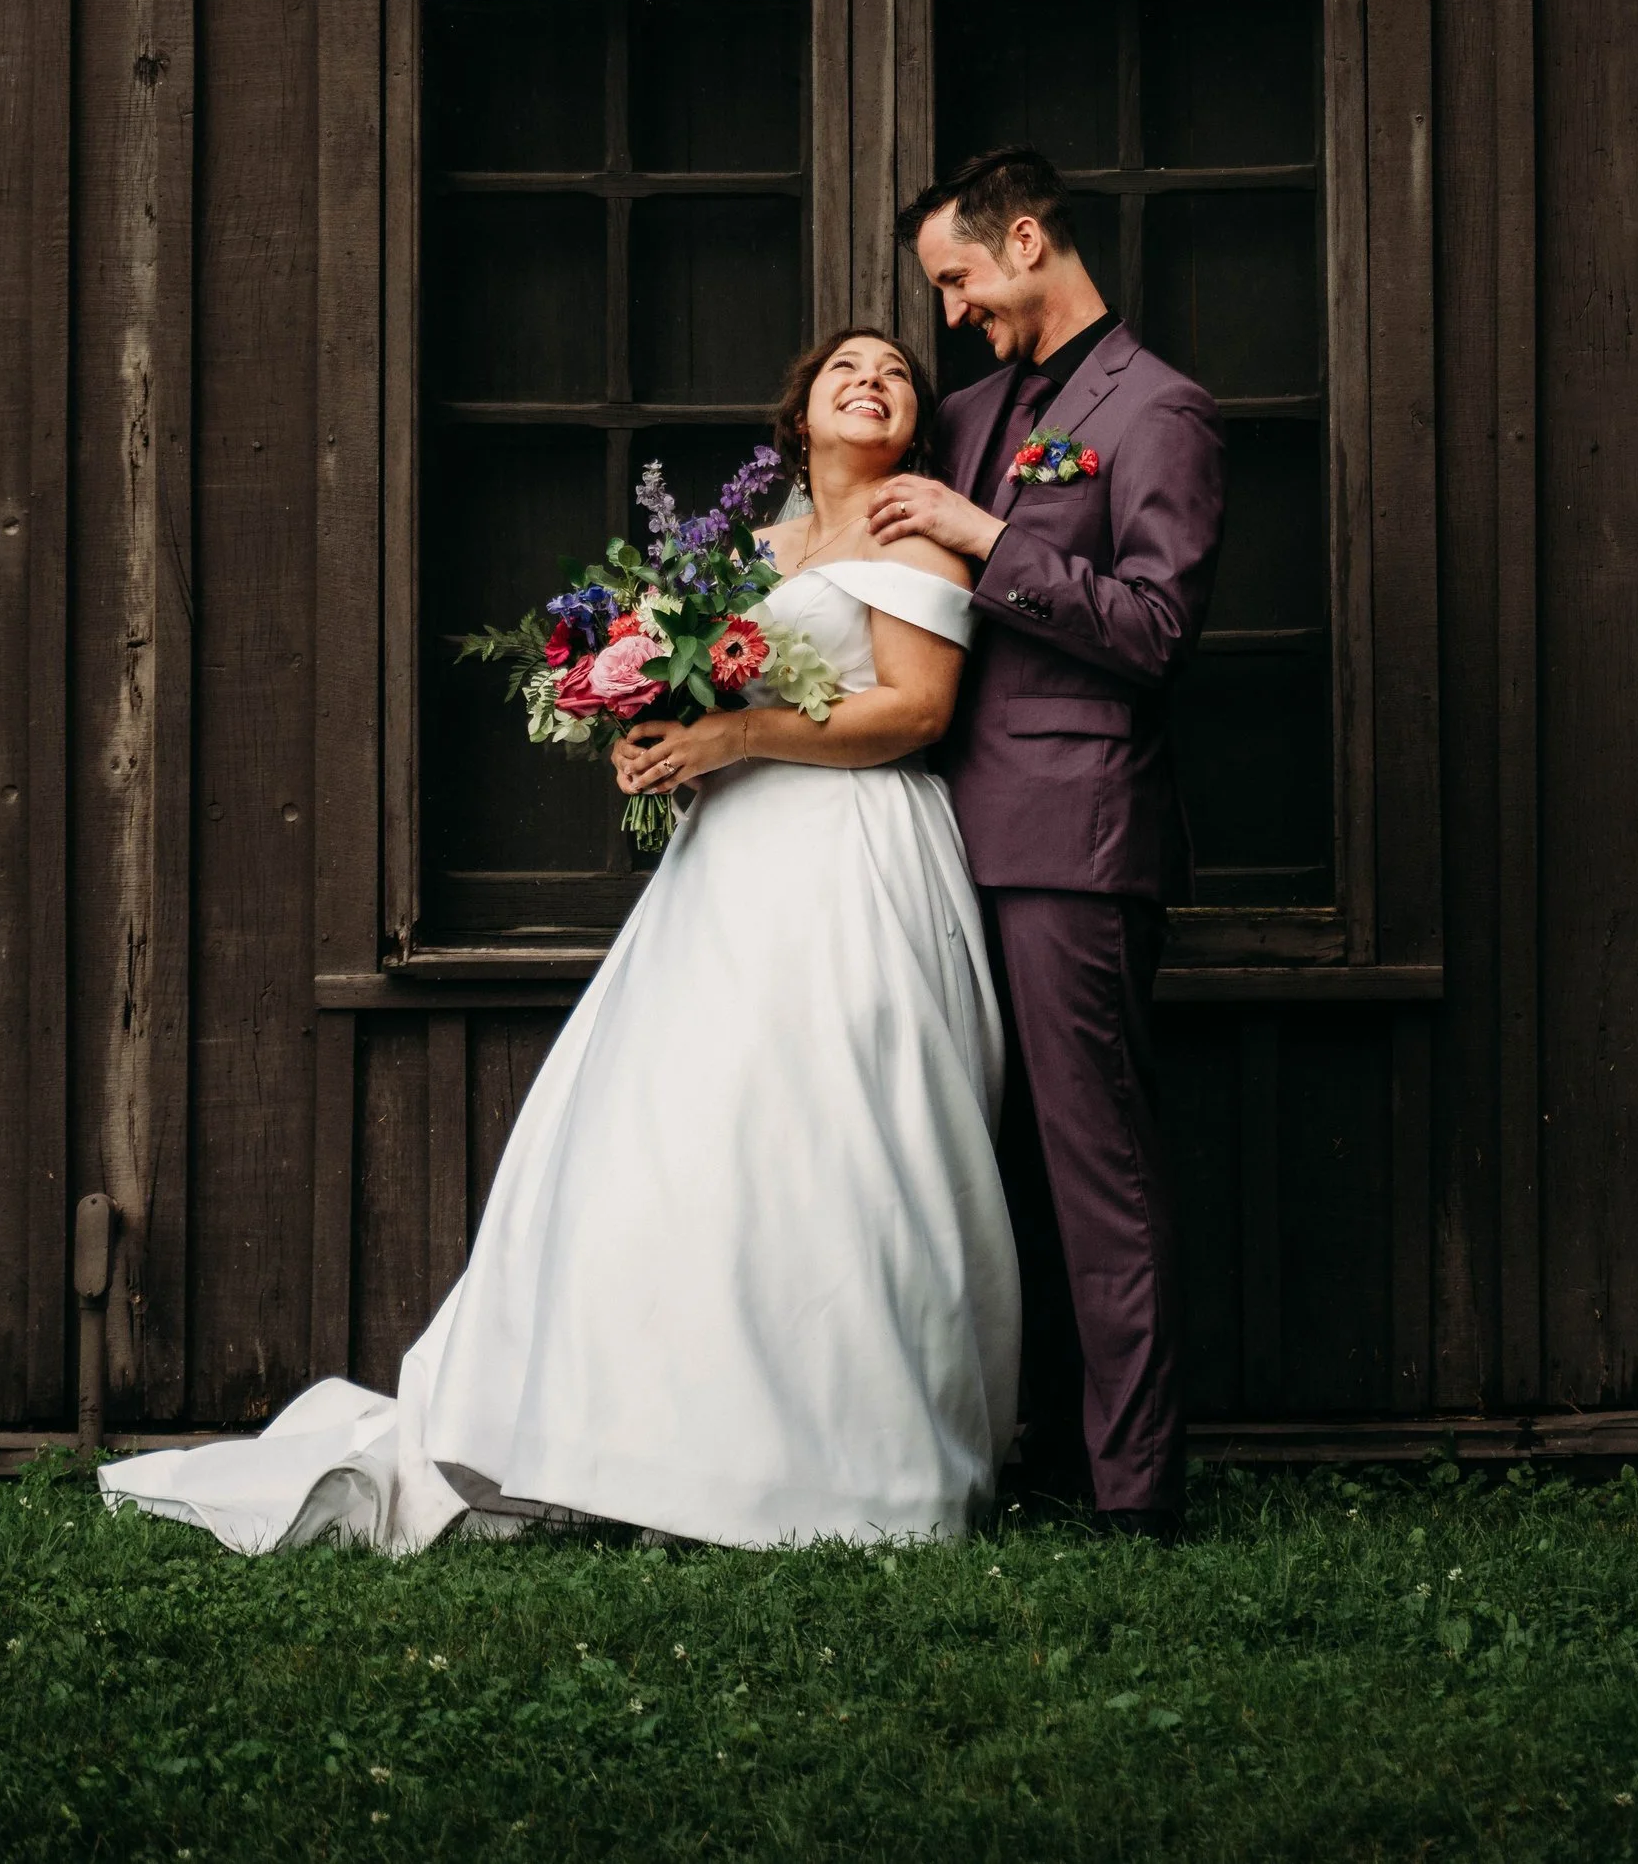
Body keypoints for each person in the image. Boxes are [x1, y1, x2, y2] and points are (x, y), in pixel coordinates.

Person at [100, 329, 1018, 1554]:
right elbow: (709, 698)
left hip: (851, 855)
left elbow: (913, 711)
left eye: (898, 375)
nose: (874, 382)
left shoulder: (915, 535)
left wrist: (736, 739)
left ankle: (831, 1458)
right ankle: (649, 1437)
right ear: (797, 420)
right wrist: (659, 738)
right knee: (679, 1139)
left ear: (914, 423)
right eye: (847, 370)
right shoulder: (743, 554)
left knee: (831, 1124)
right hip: (727, 866)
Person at [867, 145, 1225, 1539]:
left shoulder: (1163, 410)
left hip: (1073, 842)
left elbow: (1155, 630)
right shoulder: (958, 410)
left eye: (958, 277)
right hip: (931, 837)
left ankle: (1132, 1497)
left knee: (1098, 1171)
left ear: (1026, 239)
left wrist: (985, 531)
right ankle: (1031, 1454)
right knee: (983, 1168)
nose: (949, 309)